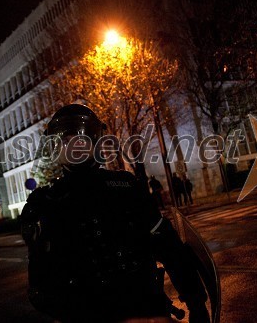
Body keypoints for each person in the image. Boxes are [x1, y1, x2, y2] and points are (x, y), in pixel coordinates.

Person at [20, 104, 210, 323]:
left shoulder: (126, 188)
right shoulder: (45, 203)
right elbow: (40, 281)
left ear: (95, 143)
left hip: (145, 310)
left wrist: (196, 301)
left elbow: (169, 247)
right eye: (66, 141)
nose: (75, 147)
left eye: (82, 139)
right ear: (56, 148)